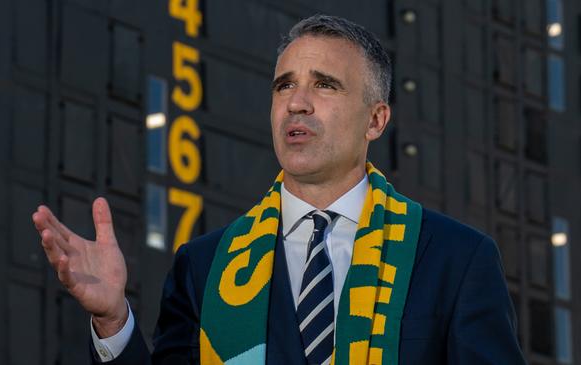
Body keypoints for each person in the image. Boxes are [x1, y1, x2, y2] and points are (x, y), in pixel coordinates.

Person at [32, 15, 525, 365]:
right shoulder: (204, 266)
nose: (297, 103)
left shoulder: (457, 259)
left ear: (376, 119)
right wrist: (115, 323)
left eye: (325, 85)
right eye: (284, 86)